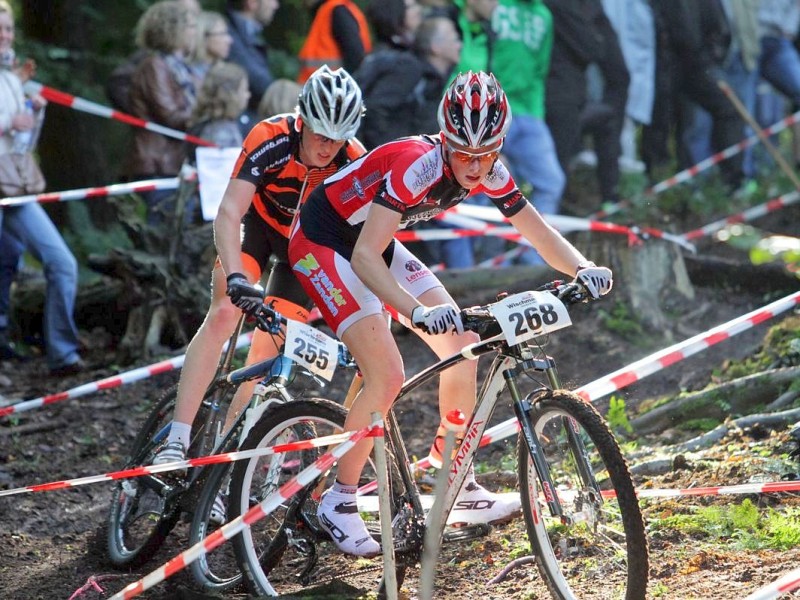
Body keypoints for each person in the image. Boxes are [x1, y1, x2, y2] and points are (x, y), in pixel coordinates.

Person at [288, 71, 613, 556]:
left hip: (366, 244)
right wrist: (416, 313)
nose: (476, 166)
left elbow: (539, 234)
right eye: (463, 153)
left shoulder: (490, 167)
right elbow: (363, 258)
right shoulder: (415, 167)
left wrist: (584, 268)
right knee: (387, 373)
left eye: (488, 154)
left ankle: (451, 476)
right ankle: (337, 499)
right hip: (322, 241)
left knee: (462, 346)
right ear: (444, 140)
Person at [152, 67, 367, 491]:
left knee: (267, 355)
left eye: (337, 138)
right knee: (222, 314)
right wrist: (235, 276)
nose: (328, 147)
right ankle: (176, 439)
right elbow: (229, 212)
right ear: (303, 120)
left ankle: (226, 467)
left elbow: (357, 243)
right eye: (321, 135)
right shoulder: (269, 137)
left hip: (304, 251)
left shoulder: (353, 159)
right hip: (259, 232)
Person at [0, 0, 82, 376]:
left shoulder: (12, 76)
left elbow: (22, 142)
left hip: (14, 187)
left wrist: (34, 111)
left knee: (61, 262)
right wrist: (7, 122)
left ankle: (63, 355)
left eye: (9, 29)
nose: (5, 36)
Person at [126, 1, 199, 227]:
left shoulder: (181, 68)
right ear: (172, 28)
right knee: (164, 230)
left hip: (175, 162)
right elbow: (169, 115)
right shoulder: (155, 66)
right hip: (158, 163)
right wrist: (206, 115)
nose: (194, 31)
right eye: (189, 25)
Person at [225, 0, 280, 133]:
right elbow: (260, 83)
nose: (275, 5)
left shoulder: (244, 33)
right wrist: (286, 95)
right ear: (252, 3)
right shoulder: (232, 36)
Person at [297, 0, 373, 84]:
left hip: (331, 90)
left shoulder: (337, 10)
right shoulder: (328, 10)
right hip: (322, 88)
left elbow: (355, 57)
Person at [190, 10, 234, 83]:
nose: (229, 40)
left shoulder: (222, 70)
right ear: (203, 37)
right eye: (222, 34)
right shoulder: (190, 75)